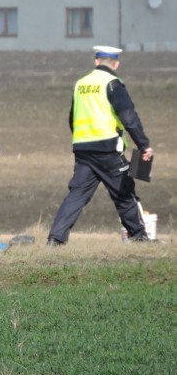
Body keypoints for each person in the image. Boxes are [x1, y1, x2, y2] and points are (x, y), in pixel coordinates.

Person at [47, 45, 155, 246]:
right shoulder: (113, 83)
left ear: (96, 61)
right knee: (124, 192)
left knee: (77, 195)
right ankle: (140, 236)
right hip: (107, 150)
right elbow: (129, 117)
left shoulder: (80, 84)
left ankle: (55, 238)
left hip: (82, 150)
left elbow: (72, 118)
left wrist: (83, 139)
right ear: (116, 64)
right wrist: (143, 145)